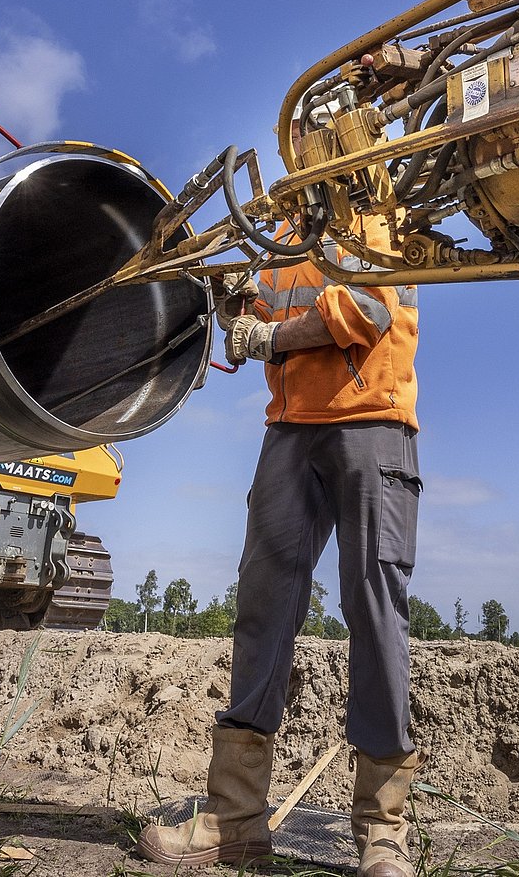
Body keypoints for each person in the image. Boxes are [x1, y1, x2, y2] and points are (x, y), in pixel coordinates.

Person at [137, 223, 424, 877]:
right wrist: (226, 293)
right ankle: (235, 820)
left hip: (371, 420)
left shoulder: (377, 206)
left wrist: (267, 337)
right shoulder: (286, 236)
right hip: (290, 429)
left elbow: (367, 307)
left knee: (373, 609)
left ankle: (384, 832)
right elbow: (253, 319)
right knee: (263, 608)